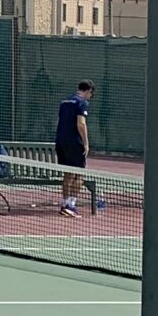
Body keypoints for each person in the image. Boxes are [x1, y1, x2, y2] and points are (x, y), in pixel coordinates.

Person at [56, 78, 95, 215]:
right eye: (91, 94)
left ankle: (65, 204)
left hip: (61, 142)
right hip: (75, 143)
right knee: (79, 174)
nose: (90, 97)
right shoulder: (82, 103)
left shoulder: (64, 102)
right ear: (88, 91)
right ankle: (71, 205)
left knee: (68, 174)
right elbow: (81, 124)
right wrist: (86, 143)